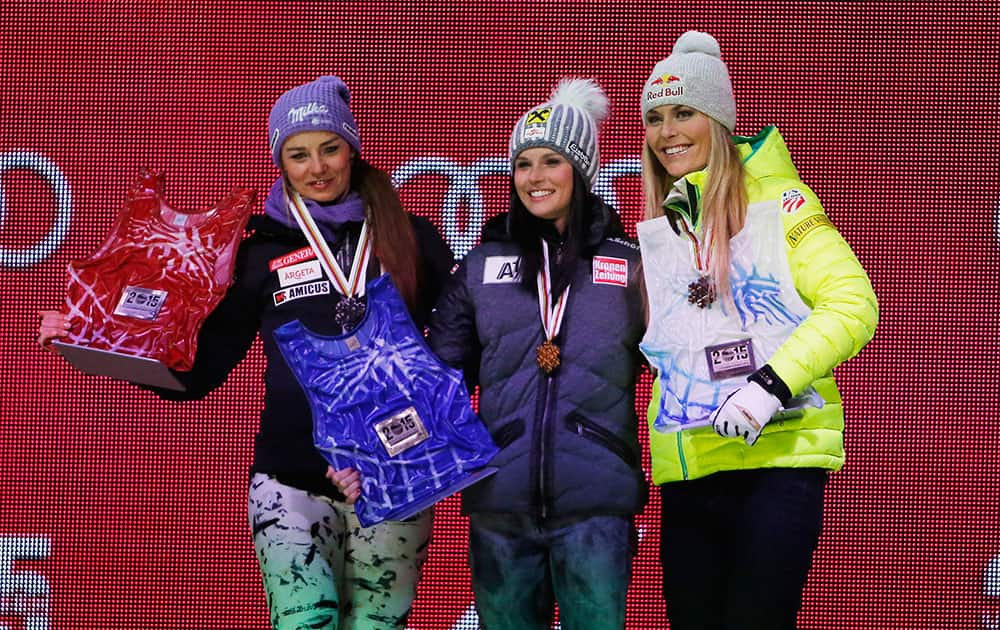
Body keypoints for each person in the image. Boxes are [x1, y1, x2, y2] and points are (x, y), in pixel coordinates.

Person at [38, 75, 454, 630]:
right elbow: (199, 369)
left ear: (352, 148)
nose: (318, 167)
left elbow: (455, 356)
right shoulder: (259, 252)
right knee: (304, 622)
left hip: (396, 475)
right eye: (299, 154)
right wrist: (92, 340)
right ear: (281, 164)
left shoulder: (413, 238)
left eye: (329, 148)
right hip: (288, 480)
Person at [636, 31, 879, 630]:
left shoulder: (782, 202)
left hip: (775, 459)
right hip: (692, 461)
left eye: (685, 112)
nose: (667, 131)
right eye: (656, 117)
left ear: (719, 121)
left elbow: (852, 304)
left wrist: (767, 386)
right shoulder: (665, 226)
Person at [429, 78, 646, 630]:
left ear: (583, 170)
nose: (535, 177)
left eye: (552, 161)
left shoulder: (634, 265)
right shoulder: (481, 265)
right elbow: (440, 375)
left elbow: (681, 360)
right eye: (524, 163)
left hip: (596, 504)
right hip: (500, 501)